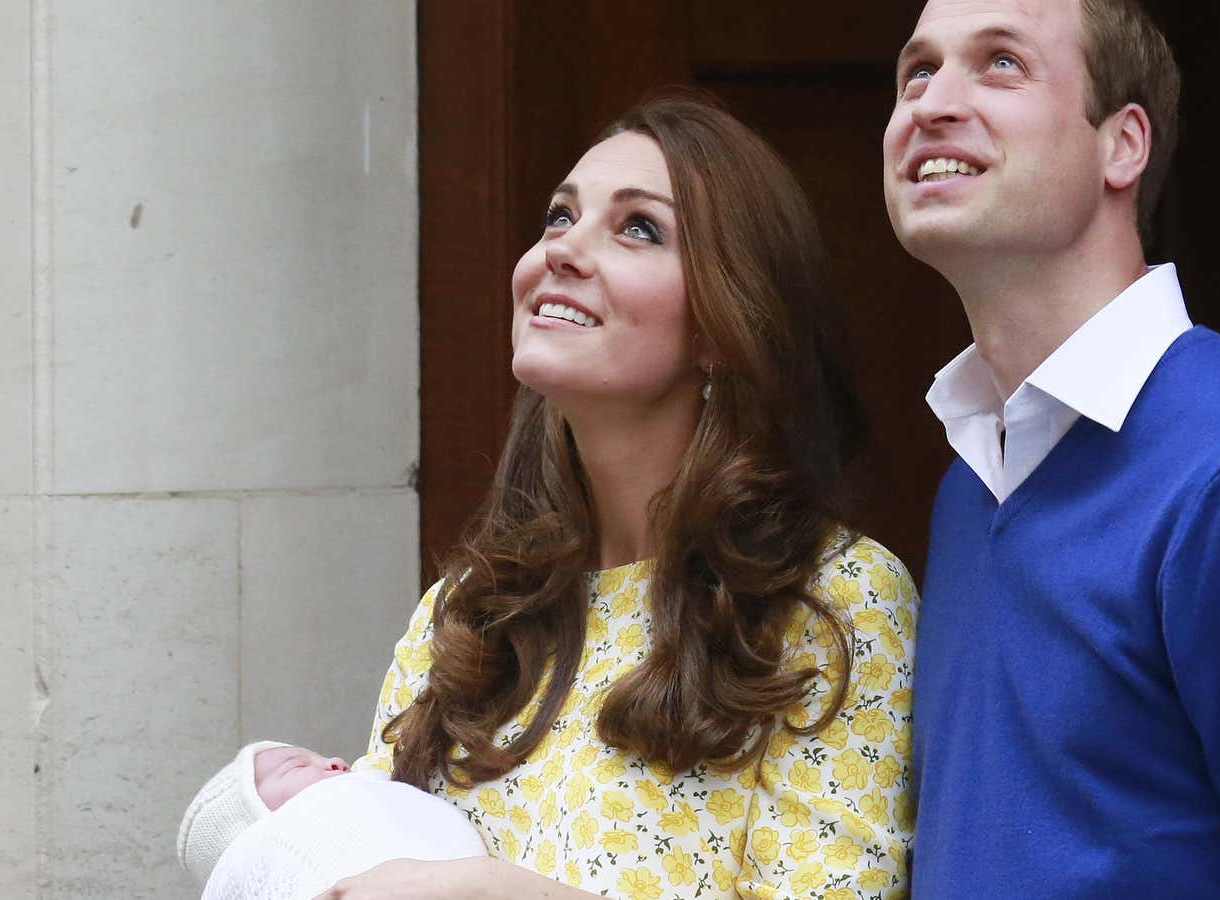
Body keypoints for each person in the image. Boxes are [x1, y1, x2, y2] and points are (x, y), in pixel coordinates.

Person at [882, 0, 1220, 897]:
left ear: (1123, 145)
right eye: (918, 71)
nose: (931, 103)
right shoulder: (972, 483)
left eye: (1001, 65)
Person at [325, 94, 918, 899]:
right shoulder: (465, 613)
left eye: (638, 227)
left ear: (720, 326)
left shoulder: (832, 603)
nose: (562, 250)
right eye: (558, 216)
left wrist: (508, 895)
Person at [177, 742, 486, 899]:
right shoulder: (287, 848)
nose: (336, 762)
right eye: (296, 766)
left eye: (321, 757)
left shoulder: (377, 796)